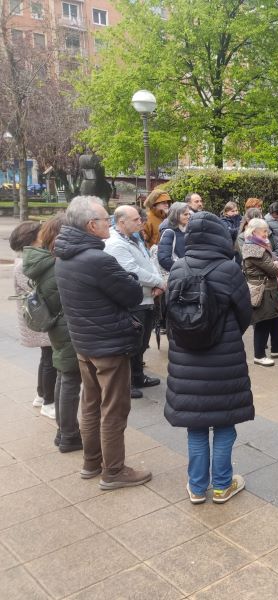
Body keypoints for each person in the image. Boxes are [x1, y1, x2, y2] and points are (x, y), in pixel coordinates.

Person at [54, 196, 150, 489]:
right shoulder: (98, 259)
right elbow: (132, 295)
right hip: (108, 344)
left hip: (84, 342)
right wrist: (131, 277)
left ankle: (91, 461)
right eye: (104, 220)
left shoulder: (64, 255)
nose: (109, 223)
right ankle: (114, 471)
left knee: (92, 403)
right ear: (90, 226)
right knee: (114, 408)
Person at [164, 212, 254, 504]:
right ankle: (222, 486)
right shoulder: (229, 269)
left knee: (196, 427)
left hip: (185, 360)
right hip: (223, 359)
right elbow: (244, 315)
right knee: (225, 424)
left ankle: (197, 486)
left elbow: (169, 313)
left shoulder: (177, 268)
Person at [23, 215, 82, 452]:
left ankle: (63, 432)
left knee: (63, 376)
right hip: (66, 325)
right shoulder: (57, 264)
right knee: (69, 379)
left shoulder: (45, 261)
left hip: (58, 326)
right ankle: (68, 435)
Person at [104, 205, 165, 399]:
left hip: (147, 297)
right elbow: (131, 270)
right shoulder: (115, 243)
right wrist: (158, 282)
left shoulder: (134, 238)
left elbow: (148, 262)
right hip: (134, 299)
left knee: (142, 342)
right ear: (121, 222)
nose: (141, 222)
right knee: (131, 344)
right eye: (136, 220)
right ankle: (126, 383)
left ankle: (138, 376)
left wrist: (158, 282)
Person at [11, 221, 57, 418]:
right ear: (32, 238)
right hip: (40, 319)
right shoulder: (24, 264)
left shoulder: (31, 259)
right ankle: (49, 402)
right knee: (50, 360)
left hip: (39, 319)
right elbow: (37, 290)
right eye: (41, 232)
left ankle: (41, 395)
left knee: (46, 357)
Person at [242, 218, 278, 366]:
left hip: (270, 288)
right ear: (254, 231)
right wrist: (276, 265)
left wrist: (276, 263)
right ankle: (259, 355)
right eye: (264, 230)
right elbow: (273, 269)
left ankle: (276, 348)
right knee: (263, 322)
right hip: (262, 289)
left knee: (276, 319)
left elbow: (274, 263)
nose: (267, 233)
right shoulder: (254, 248)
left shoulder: (259, 244)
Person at [158, 202, 190, 273]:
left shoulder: (184, 229)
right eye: (185, 214)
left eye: (189, 214)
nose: (188, 217)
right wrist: (180, 270)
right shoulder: (169, 232)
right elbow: (164, 259)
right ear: (176, 215)